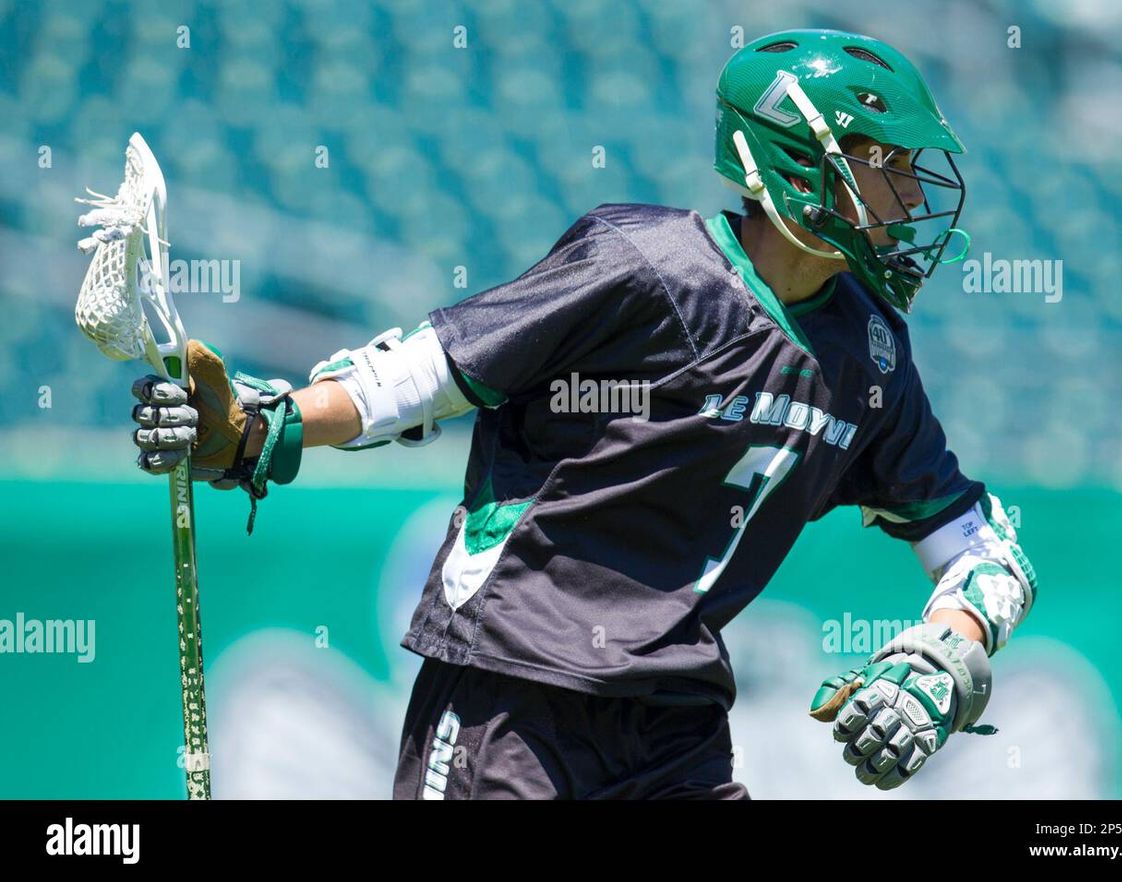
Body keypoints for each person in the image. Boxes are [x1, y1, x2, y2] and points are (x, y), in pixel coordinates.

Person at [129, 29, 1037, 799]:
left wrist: (943, 660)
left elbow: (983, 548)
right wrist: (263, 425)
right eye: (888, 169)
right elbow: (433, 372)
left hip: (675, 723)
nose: (913, 199)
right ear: (803, 167)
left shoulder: (870, 354)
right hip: (514, 695)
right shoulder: (645, 264)